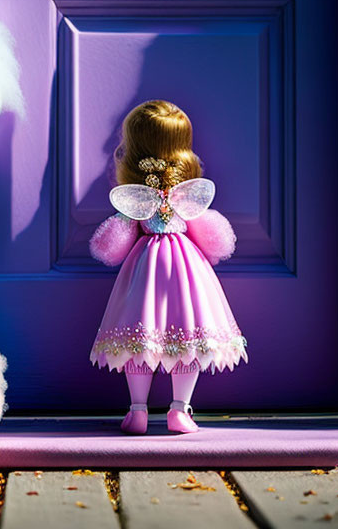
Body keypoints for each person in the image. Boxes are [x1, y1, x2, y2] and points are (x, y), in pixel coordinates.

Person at [89, 100, 247, 434]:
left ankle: (138, 411)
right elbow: (217, 241)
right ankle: (179, 409)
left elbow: (110, 246)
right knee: (187, 330)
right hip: (186, 266)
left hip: (145, 266)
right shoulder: (187, 197)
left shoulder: (136, 198)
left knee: (139, 335)